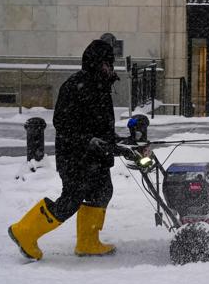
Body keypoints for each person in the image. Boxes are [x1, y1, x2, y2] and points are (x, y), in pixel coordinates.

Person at [8, 39, 124, 260]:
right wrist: (88, 140)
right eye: (107, 62)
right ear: (96, 62)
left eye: (111, 63)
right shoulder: (75, 85)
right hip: (76, 157)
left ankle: (88, 242)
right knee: (71, 199)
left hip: (95, 157)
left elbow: (100, 123)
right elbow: (62, 123)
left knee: (101, 191)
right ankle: (24, 231)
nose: (110, 67)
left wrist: (116, 141)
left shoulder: (101, 84)